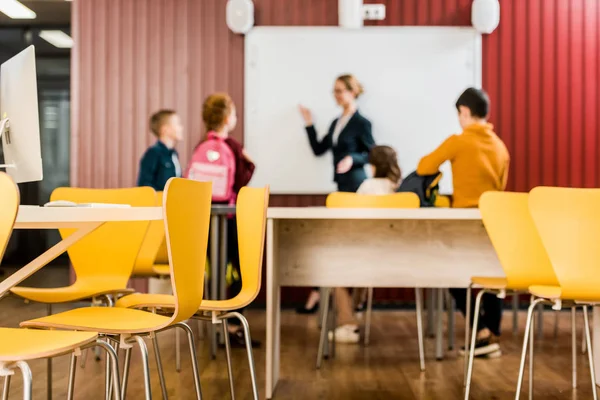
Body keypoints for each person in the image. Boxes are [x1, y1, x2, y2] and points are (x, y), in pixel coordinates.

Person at [417, 87, 510, 357]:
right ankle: (491, 332)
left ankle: (479, 329)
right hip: (494, 220)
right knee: (493, 278)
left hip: (465, 221)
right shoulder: (500, 146)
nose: (459, 119)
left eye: (460, 114)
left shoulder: (459, 141)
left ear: (465, 112)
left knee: (452, 274)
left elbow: (425, 167)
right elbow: (500, 186)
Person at [297, 74, 376, 314]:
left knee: (353, 242)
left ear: (353, 92)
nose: (336, 95)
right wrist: (309, 124)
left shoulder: (362, 123)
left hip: (357, 187)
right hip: (341, 188)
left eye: (340, 91)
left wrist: (353, 158)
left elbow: (373, 153)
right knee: (335, 240)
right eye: (334, 91)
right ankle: (319, 293)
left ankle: (350, 297)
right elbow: (319, 149)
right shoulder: (335, 123)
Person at [189, 93, 258, 347]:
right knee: (239, 269)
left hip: (203, 219)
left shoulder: (200, 146)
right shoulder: (233, 147)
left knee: (211, 270)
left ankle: (212, 323)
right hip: (228, 217)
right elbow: (240, 182)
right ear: (228, 118)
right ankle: (233, 326)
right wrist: (251, 166)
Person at [332, 145, 402, 343]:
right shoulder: (400, 188)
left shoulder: (367, 187)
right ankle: (357, 308)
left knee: (338, 274)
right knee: (360, 271)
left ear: (372, 166)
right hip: (399, 257)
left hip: (368, 254)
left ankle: (348, 323)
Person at [137, 110, 183, 190]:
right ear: (165, 130)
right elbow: (144, 185)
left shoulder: (174, 154)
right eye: (178, 124)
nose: (181, 128)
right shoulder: (153, 153)